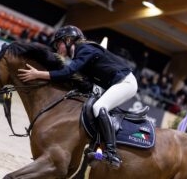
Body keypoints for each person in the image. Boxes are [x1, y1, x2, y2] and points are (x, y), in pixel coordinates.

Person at [17, 25, 138, 167]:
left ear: (68, 40)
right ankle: (96, 146)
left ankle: (111, 153)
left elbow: (67, 72)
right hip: (113, 83)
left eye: (58, 44)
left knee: (99, 107)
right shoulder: (80, 52)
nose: (57, 49)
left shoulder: (85, 49)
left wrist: (38, 74)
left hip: (126, 82)